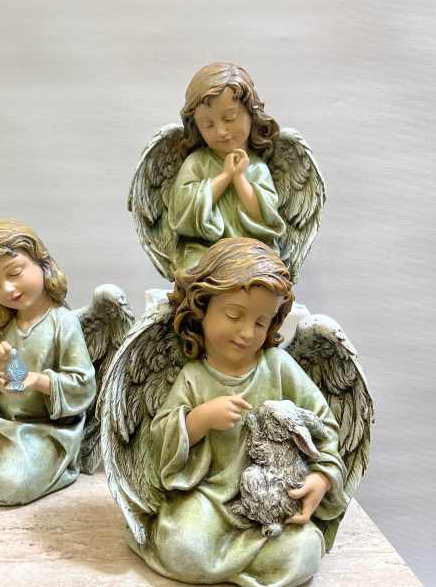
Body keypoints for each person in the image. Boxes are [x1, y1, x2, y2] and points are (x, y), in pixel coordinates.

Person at [129, 238, 348, 586]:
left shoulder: (279, 367)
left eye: (261, 323)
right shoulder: (193, 377)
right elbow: (159, 441)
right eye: (234, 315)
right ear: (201, 309)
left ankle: (235, 559)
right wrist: (199, 420)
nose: (247, 333)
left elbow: (324, 428)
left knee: (305, 551)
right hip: (209, 500)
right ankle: (238, 560)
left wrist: (322, 476)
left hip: (273, 507)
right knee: (181, 545)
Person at [0, 219, 96, 505]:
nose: (8, 289)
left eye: (14, 273)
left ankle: (53, 468)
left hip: (47, 432)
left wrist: (36, 381)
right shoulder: (1, 325)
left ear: (41, 261)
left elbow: (83, 385)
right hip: (2, 427)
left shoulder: (63, 323)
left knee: (11, 485)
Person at [168, 62, 286, 270]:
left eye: (230, 118)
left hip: (250, 251)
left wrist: (239, 178)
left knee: (266, 273)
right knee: (195, 272)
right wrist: (225, 177)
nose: (221, 131)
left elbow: (264, 217)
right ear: (197, 127)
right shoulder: (196, 163)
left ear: (251, 114)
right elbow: (182, 213)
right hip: (204, 251)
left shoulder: (258, 168)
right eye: (208, 125)